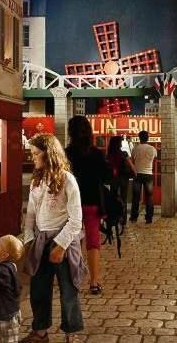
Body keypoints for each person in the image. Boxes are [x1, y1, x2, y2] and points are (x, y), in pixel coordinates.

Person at [22, 133, 87, 343]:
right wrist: (29, 239)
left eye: (36, 153)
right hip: (40, 240)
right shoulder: (37, 180)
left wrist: (61, 245)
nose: (33, 158)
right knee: (38, 289)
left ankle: (71, 334)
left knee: (69, 291)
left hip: (64, 240)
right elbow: (31, 213)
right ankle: (40, 332)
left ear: (48, 154)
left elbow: (76, 219)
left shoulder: (68, 180)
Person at [64, 116, 112, 295]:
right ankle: (94, 281)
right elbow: (107, 177)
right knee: (93, 243)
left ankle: (73, 278)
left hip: (71, 204)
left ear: (70, 133)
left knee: (73, 241)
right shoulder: (97, 153)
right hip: (92, 203)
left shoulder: (66, 154)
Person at [107, 135, 136, 225]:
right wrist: (135, 173)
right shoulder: (124, 153)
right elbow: (131, 166)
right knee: (124, 198)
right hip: (123, 178)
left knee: (113, 198)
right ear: (119, 144)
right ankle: (123, 219)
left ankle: (113, 218)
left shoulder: (109, 155)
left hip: (113, 179)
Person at [131, 130, 157, 223]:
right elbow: (154, 160)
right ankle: (149, 218)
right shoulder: (153, 149)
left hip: (137, 174)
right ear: (148, 138)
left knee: (136, 197)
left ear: (139, 138)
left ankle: (134, 217)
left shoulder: (135, 148)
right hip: (148, 174)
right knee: (149, 197)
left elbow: (132, 161)